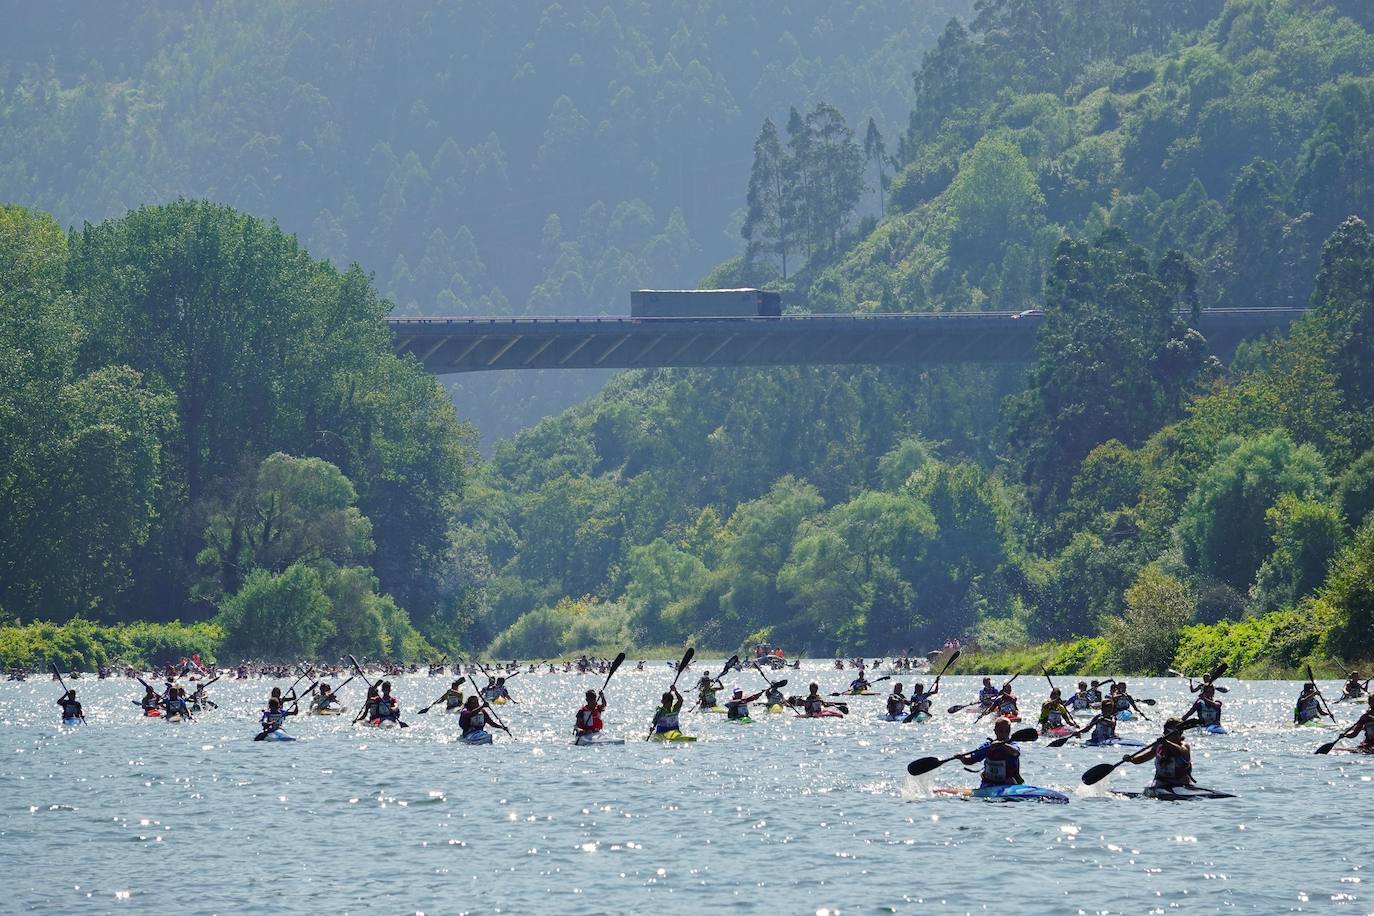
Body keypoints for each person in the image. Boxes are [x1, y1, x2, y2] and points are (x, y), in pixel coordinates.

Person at [1124, 719, 1194, 790]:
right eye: (1173, 733)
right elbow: (1142, 758)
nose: (1177, 736)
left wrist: (1166, 743)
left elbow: (1180, 751)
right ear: (1165, 732)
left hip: (1180, 783)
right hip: (1161, 781)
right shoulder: (1159, 745)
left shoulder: (1184, 746)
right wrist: (1131, 759)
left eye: (1178, 734)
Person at [957, 718, 1023, 788]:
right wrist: (962, 758)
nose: (1004, 734)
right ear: (995, 731)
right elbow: (970, 760)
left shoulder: (1012, 745)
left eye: (1007, 731)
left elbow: (1016, 753)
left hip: (1009, 784)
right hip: (989, 784)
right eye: (1001, 731)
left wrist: (1002, 745)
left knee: (1010, 780)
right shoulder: (987, 746)